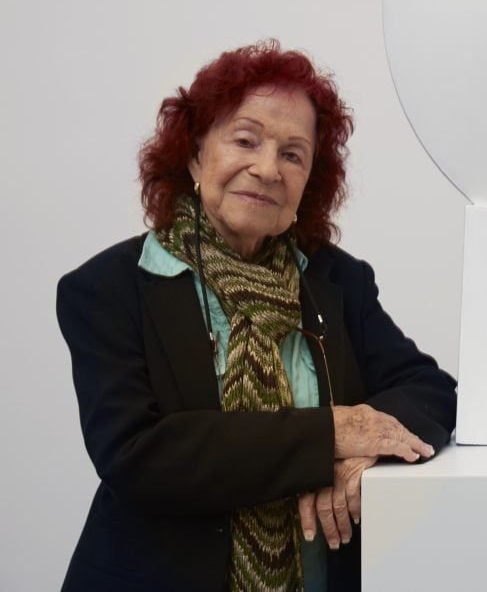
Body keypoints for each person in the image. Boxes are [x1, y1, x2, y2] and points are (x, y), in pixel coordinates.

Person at [56, 40, 457, 592]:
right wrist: (331, 435)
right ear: (196, 154)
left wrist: (368, 460)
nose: (267, 168)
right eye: (245, 139)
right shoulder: (108, 289)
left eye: (293, 154)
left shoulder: (336, 279)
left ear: (308, 183)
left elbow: (432, 391)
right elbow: (139, 456)